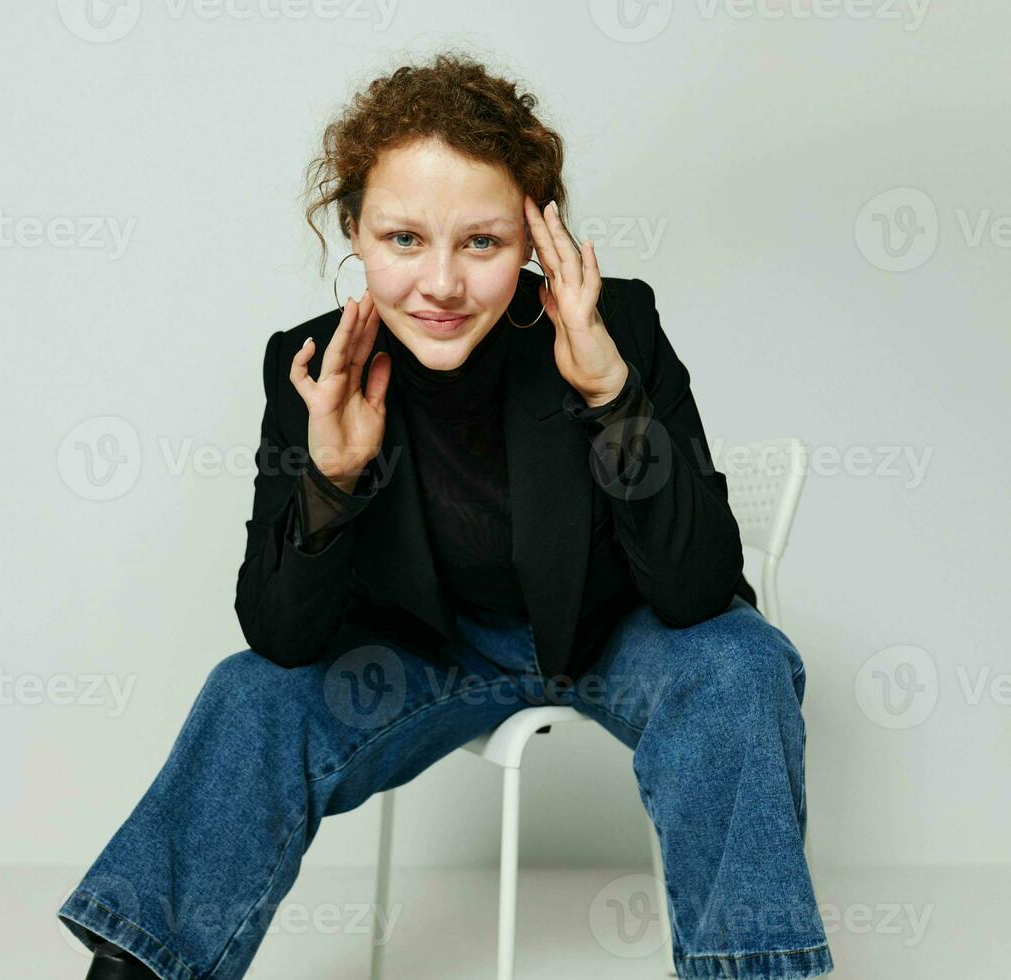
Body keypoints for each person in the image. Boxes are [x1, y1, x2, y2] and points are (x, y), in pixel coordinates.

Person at [57, 51, 832, 980]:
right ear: (352, 230)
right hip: (425, 663)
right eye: (402, 240)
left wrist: (611, 395)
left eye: (481, 243)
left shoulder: (611, 323)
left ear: (537, 240)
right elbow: (282, 637)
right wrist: (332, 477)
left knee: (741, 660)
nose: (441, 285)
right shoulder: (309, 365)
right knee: (248, 691)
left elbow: (698, 590)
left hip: (612, 637)